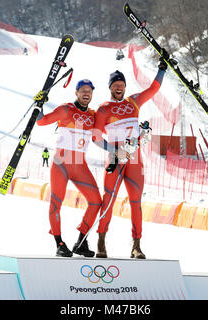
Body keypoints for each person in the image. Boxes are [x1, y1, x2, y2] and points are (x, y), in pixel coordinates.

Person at [92, 58, 167, 259]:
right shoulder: (103, 109)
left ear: (125, 86)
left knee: (136, 202)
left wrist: (162, 69)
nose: (119, 88)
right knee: (108, 201)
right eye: (115, 85)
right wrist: (114, 151)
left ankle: (136, 246)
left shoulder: (134, 101)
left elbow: (153, 89)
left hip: (134, 160)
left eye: (121, 85)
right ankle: (101, 241)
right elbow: (95, 137)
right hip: (115, 161)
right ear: (110, 87)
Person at [35, 79, 102, 258]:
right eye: (83, 90)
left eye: (89, 90)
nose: (86, 93)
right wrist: (39, 105)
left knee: (96, 202)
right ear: (76, 92)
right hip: (61, 164)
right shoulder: (66, 109)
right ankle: (59, 243)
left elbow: (100, 137)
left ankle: (81, 242)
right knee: (56, 203)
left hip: (80, 165)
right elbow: (41, 122)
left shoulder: (93, 115)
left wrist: (123, 147)